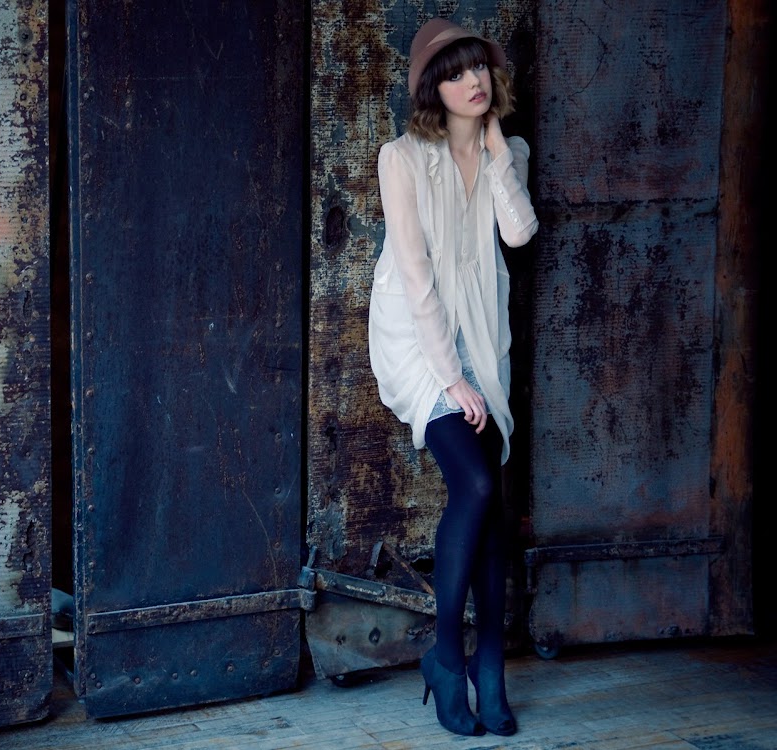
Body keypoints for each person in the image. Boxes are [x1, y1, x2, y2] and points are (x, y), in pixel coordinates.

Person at [368, 17, 539, 738]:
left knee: (490, 504)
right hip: (418, 339)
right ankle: (446, 656)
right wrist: (451, 379)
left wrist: (497, 150)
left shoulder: (510, 152)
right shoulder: (402, 158)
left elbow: (519, 232)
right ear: (432, 90)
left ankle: (488, 667)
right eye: (455, 74)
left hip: (484, 338)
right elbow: (416, 276)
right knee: (474, 484)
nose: (472, 83)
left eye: (478, 70)